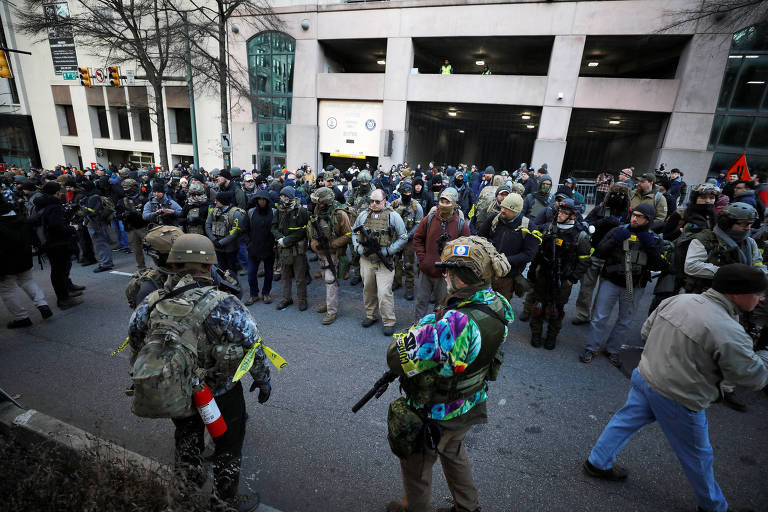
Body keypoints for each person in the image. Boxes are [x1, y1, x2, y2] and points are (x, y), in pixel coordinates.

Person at [583, 263, 768, 512]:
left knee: (624, 421)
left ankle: (597, 462)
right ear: (737, 294)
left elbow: (646, 331)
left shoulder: (680, 300)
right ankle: (714, 506)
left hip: (647, 375)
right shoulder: (728, 330)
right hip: (679, 395)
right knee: (698, 456)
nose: (761, 298)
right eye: (758, 293)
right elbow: (754, 378)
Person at [127, 234, 271, 512]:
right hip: (221, 390)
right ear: (208, 266)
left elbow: (135, 342)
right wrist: (263, 381)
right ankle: (222, 502)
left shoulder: (152, 301)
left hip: (178, 388)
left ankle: (185, 490)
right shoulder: (225, 304)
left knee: (187, 435)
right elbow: (254, 347)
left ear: (173, 265)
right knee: (228, 444)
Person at [384, 235, 514, 512]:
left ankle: (414, 508)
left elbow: (396, 357)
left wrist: (426, 324)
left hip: (438, 408)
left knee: (417, 464)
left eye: (449, 270)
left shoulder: (454, 323)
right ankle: (468, 506)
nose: (444, 274)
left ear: (462, 276)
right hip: (470, 400)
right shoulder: (498, 302)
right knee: (453, 452)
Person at [580, 203, 666, 366]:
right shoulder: (618, 231)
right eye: (633, 214)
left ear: (648, 220)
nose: (634, 218)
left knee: (625, 320)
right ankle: (591, 347)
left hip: (635, 285)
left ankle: (613, 350)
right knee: (600, 317)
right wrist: (614, 240)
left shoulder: (653, 238)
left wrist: (651, 247)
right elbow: (599, 252)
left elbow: (660, 265)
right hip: (611, 281)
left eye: (639, 216)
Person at [526, 199, 591, 348]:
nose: (560, 215)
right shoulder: (548, 228)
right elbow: (537, 253)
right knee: (538, 306)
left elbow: (585, 261)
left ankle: (551, 336)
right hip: (543, 275)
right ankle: (536, 334)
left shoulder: (580, 236)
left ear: (573, 216)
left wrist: (572, 279)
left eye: (564, 213)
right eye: (560, 211)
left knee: (556, 309)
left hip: (563, 279)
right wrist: (532, 271)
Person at [572, 184, 631, 325]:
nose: (618, 197)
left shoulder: (628, 214)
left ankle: (596, 317)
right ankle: (582, 314)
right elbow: (586, 224)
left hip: (613, 259)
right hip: (595, 254)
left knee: (604, 293)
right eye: (614, 194)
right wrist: (602, 222)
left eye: (622, 195)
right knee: (586, 287)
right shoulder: (600, 209)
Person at [351, 188, 407, 336]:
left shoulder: (393, 216)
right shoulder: (363, 215)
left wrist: (388, 251)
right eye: (371, 201)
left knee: (384, 293)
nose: (374, 204)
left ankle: (389, 321)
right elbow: (353, 232)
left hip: (384, 261)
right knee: (368, 290)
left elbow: (403, 237)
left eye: (377, 201)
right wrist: (358, 248)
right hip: (366, 260)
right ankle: (371, 315)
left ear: (384, 201)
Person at [412, 188, 471, 324]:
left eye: (447, 202)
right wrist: (423, 258)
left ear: (454, 204)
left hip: (446, 276)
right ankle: (417, 328)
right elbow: (418, 238)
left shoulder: (461, 225)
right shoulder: (430, 218)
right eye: (442, 201)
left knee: (442, 306)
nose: (444, 205)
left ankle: (437, 331)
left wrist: (454, 268)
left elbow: (466, 249)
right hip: (426, 271)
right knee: (421, 302)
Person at [0, 194, 53, 327]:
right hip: (24, 255)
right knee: (27, 280)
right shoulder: (17, 215)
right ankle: (42, 304)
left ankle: (21, 317)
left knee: (8, 289)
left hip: (5, 261)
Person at [478, 193, 541, 303]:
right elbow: (479, 238)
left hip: (507, 278)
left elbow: (529, 254)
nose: (502, 210)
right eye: (502, 206)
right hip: (487, 273)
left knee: (500, 308)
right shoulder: (494, 219)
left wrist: (504, 261)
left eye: (507, 209)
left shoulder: (529, 227)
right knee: (481, 304)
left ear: (517, 211)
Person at [309, 187, 351, 325]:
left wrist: (332, 245)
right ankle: (329, 303)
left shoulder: (339, 214)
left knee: (330, 280)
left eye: (319, 202)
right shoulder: (317, 210)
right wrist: (314, 244)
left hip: (333, 252)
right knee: (325, 278)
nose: (317, 205)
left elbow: (348, 235)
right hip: (321, 251)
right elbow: (314, 228)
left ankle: (332, 311)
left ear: (326, 201)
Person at [271, 186, 309, 311]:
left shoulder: (300, 211)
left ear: (292, 197)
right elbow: (273, 227)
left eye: (286, 196)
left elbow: (304, 230)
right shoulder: (279, 210)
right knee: (285, 275)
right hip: (283, 249)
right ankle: (286, 298)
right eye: (282, 196)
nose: (283, 198)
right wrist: (280, 238)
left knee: (299, 277)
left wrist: (286, 240)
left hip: (297, 249)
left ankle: (302, 300)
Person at [391, 183, 424, 301]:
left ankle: (409, 287)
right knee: (395, 260)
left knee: (409, 263)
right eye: (405, 193)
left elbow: (419, 223)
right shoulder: (394, 204)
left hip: (409, 239)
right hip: (396, 237)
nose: (407, 195)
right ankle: (397, 281)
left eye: (409, 193)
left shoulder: (416, 206)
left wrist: (408, 236)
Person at [244, 189, 275, 306]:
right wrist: (248, 243)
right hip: (254, 249)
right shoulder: (251, 213)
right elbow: (244, 230)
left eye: (264, 200)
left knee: (269, 273)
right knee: (251, 273)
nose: (262, 202)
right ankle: (254, 294)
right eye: (259, 199)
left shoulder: (274, 212)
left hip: (269, 249)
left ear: (267, 201)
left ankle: (266, 293)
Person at [205, 191, 246, 273]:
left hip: (230, 248)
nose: (215, 202)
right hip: (217, 247)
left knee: (231, 271)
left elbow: (235, 232)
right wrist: (214, 240)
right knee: (220, 270)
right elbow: (207, 225)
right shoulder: (214, 211)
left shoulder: (236, 214)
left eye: (217, 200)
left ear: (223, 201)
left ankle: (233, 284)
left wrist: (221, 242)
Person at [347, 171, 374, 285]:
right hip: (355, 226)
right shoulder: (355, 192)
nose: (363, 184)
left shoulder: (374, 193)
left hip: (369, 226)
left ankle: (367, 277)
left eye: (366, 182)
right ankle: (357, 274)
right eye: (361, 182)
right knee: (355, 252)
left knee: (367, 253)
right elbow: (348, 204)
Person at [83, 177, 115, 272]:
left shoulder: (93, 197)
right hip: (98, 223)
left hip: (96, 223)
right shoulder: (94, 195)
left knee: (100, 243)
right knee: (101, 243)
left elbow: (93, 212)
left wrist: (84, 210)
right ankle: (106, 262)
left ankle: (106, 263)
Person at [118, 178, 148, 270]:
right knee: (136, 250)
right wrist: (124, 214)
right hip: (130, 228)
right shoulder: (122, 201)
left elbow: (149, 213)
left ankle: (160, 267)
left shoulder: (143, 199)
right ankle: (141, 268)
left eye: (126, 187)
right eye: (124, 188)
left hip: (143, 227)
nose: (125, 189)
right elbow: (117, 214)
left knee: (152, 248)